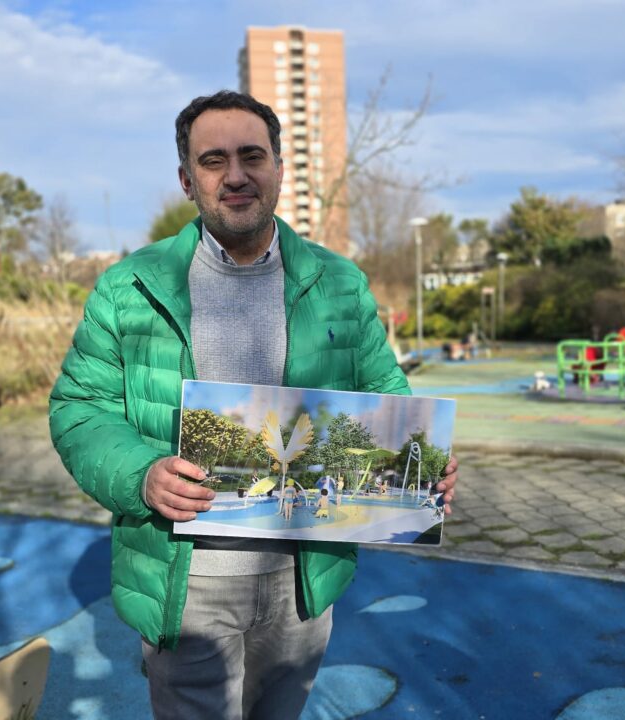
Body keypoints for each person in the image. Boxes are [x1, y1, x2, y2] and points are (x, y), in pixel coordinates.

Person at [49, 90, 459, 720]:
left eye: (251, 156)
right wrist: (141, 475)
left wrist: (419, 459)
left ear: (278, 169)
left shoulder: (339, 282)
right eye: (214, 161)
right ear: (188, 180)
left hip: (304, 579)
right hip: (185, 586)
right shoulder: (129, 287)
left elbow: (387, 396)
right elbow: (80, 408)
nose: (235, 175)